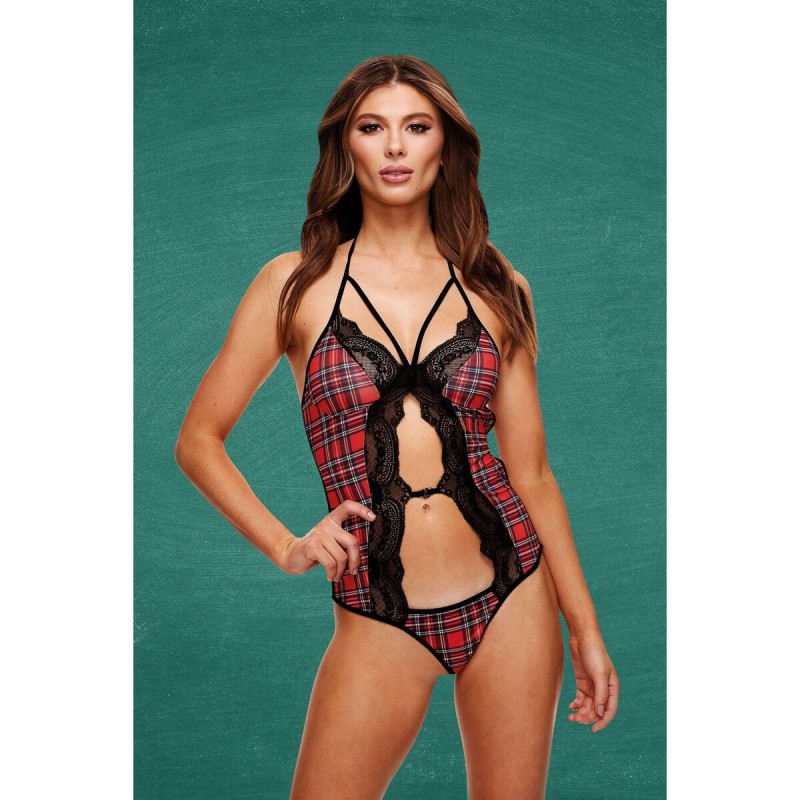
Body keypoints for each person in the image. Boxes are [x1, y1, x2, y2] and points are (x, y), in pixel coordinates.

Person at [175, 54, 618, 800]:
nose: (394, 147)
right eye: (371, 127)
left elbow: (532, 473)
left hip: (515, 597)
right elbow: (198, 439)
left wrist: (586, 628)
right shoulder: (294, 285)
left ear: (445, 145)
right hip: (378, 614)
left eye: (416, 127)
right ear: (344, 145)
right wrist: (288, 545)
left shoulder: (498, 285)